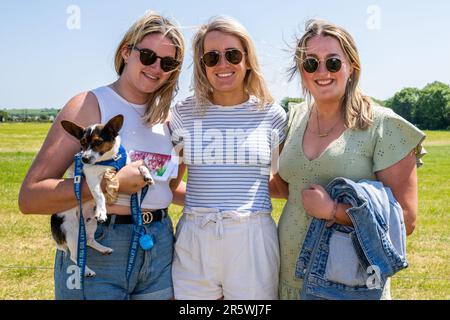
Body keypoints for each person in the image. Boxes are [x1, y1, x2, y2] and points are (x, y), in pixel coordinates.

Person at [18, 12, 186, 300]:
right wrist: (109, 184)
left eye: (167, 62)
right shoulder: (89, 105)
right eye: (147, 56)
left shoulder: (170, 120)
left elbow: (167, 189)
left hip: (158, 245)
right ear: (126, 52)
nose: (156, 67)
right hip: (97, 244)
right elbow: (30, 197)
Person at [273, 19, 426, 299]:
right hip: (287, 278)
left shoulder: (382, 125)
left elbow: (405, 219)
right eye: (311, 64)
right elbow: (289, 187)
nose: (322, 72)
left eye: (332, 62)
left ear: (351, 66)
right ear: (301, 70)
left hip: (346, 287)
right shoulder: (293, 119)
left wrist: (333, 211)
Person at [169, 16, 287, 300]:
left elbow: (280, 185)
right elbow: (169, 184)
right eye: (212, 57)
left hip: (253, 237)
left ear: (247, 59)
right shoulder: (182, 114)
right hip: (195, 236)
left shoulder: (273, 115)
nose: (223, 64)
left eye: (232, 54)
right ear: (202, 65)